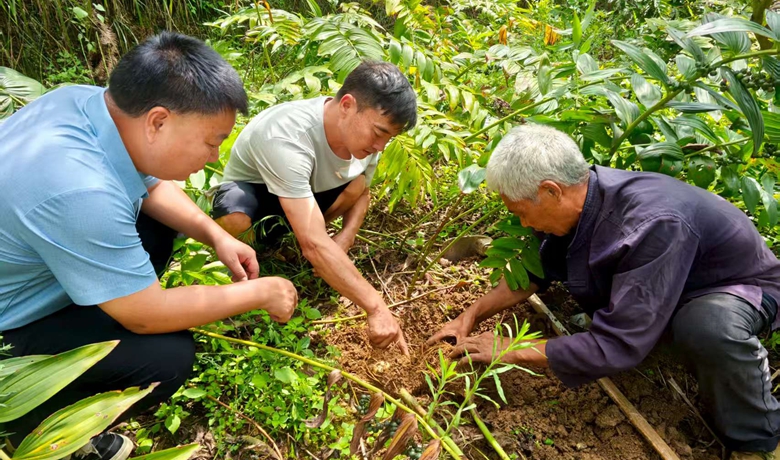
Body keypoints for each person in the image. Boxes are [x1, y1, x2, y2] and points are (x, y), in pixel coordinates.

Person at [0, 32, 297, 460]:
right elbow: (145, 316)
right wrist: (260, 292)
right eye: (212, 141)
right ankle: (41, 425)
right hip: (7, 333)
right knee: (165, 358)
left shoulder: (85, 104)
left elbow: (149, 183)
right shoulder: (80, 192)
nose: (215, 157)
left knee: (154, 228)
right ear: (158, 121)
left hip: (26, 269)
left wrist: (216, 235)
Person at [427, 124, 780, 460]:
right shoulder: (583, 198)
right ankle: (656, 329)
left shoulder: (651, 224)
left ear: (551, 190)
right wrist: (468, 316)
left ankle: (757, 438)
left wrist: (513, 349)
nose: (523, 224)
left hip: (735, 288)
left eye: (521, 212)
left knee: (707, 326)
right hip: (667, 282)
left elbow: (617, 346)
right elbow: (536, 272)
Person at [212, 61, 417, 355]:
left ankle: (305, 240)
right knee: (234, 217)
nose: (381, 146)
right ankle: (256, 262)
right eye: (378, 133)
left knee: (356, 185)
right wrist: (375, 305)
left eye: (389, 138)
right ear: (347, 105)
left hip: (303, 197)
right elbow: (314, 244)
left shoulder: (364, 140)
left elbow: (363, 191)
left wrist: (345, 237)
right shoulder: (287, 135)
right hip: (258, 198)